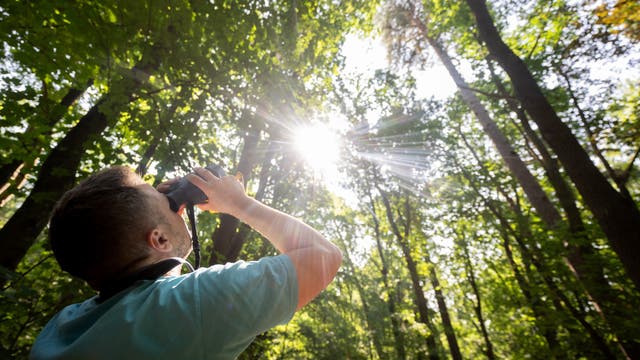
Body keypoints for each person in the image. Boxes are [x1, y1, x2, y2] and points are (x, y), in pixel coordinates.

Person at [30, 166, 342, 359]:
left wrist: (156, 205)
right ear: (160, 241)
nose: (177, 206)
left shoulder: (60, 327)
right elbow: (324, 257)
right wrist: (239, 204)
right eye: (168, 204)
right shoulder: (190, 304)